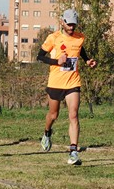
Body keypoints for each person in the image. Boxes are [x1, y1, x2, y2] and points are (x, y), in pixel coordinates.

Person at [37, 9, 96, 165]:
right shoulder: (53, 38)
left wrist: (88, 60)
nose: (71, 27)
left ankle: (73, 152)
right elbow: (40, 57)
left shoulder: (80, 37)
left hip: (73, 82)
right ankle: (47, 133)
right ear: (62, 22)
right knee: (53, 115)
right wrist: (57, 62)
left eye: (73, 25)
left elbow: (79, 49)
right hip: (55, 83)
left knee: (74, 115)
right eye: (69, 24)